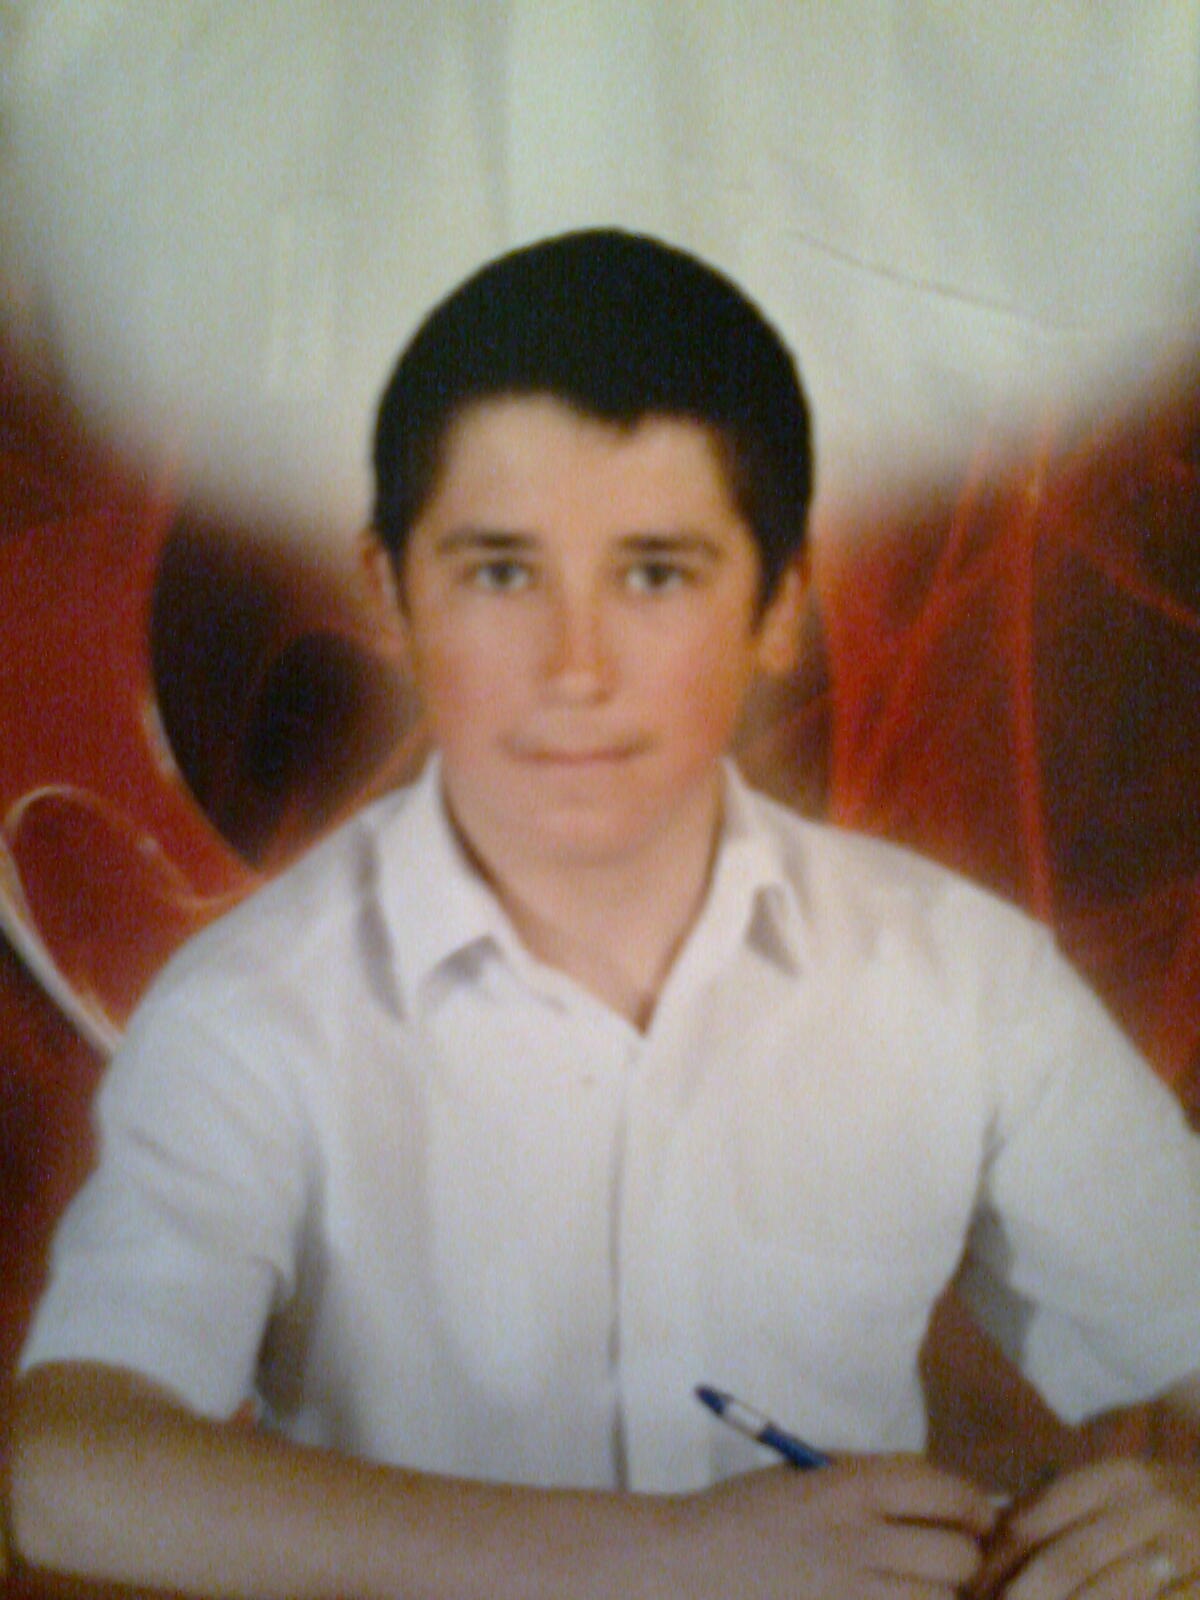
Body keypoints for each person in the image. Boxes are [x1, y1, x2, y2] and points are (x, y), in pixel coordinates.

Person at [7, 229, 1200, 1599]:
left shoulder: (960, 974)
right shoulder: (256, 1001)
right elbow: (66, 1471)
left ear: (780, 606)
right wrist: (680, 1557)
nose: (575, 670)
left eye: (656, 573)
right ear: (391, 596)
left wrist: (1188, 1508)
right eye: (500, 572)